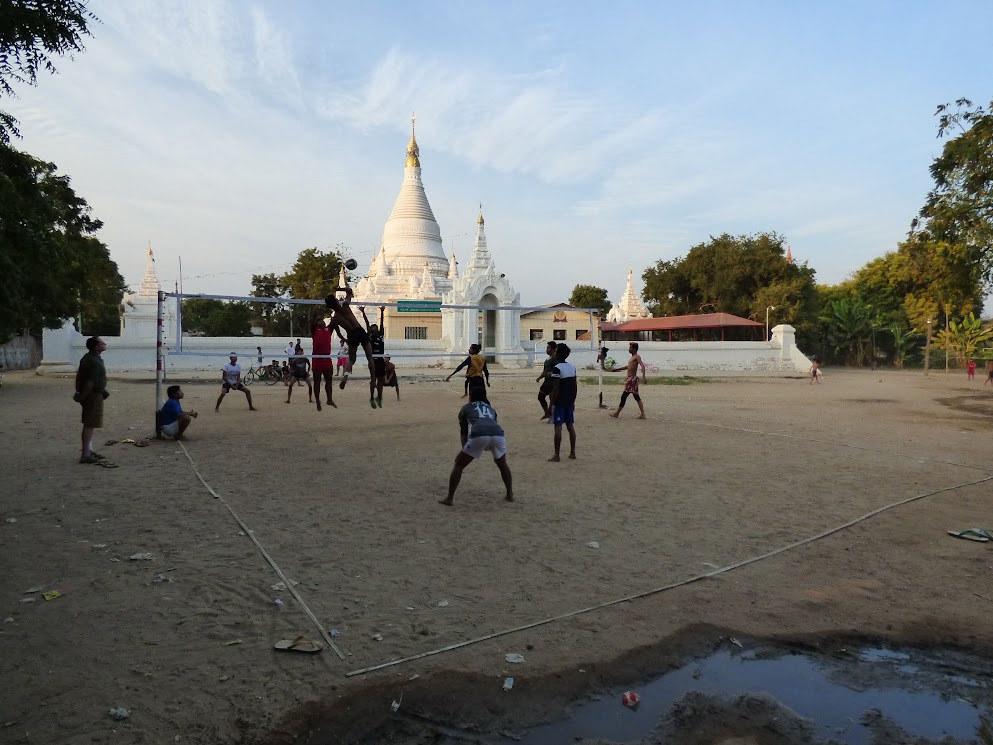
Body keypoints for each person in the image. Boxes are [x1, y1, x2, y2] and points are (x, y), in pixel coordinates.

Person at [440, 385, 513, 506]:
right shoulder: (491, 409)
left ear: (471, 396)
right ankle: (510, 495)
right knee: (502, 463)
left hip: (479, 433)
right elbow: (493, 422)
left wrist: (465, 448)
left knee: (459, 464)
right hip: (498, 434)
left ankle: (449, 498)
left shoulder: (466, 408)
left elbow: (463, 431)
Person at [325, 287, 377, 403]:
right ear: (337, 302)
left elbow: (336, 332)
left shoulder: (335, 319)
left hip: (351, 335)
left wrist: (343, 338)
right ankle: (373, 379)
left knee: (351, 359)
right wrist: (339, 288)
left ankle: (346, 376)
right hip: (360, 331)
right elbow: (349, 290)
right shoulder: (346, 306)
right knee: (370, 357)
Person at [75, 336, 109, 464]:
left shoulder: (89, 358)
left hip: (94, 393)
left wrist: (79, 393)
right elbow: (89, 382)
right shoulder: (94, 361)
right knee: (89, 424)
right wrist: (82, 396)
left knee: (90, 423)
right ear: (96, 346)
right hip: (93, 395)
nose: (104, 344)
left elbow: (79, 377)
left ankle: (88, 450)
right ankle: (85, 454)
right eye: (101, 343)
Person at [548, 343, 578, 461]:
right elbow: (575, 386)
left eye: (555, 351)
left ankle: (557, 455)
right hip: (569, 401)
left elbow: (556, 388)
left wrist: (551, 404)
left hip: (560, 402)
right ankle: (572, 452)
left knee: (558, 427)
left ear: (559, 354)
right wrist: (573, 400)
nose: (554, 353)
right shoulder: (572, 367)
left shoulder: (557, 368)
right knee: (570, 426)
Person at [608, 342, 647, 419]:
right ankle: (643, 414)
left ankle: (617, 413)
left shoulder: (637, 357)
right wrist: (617, 369)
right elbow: (628, 367)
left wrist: (643, 376)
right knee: (636, 397)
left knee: (624, 396)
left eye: (630, 348)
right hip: (631, 379)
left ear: (634, 349)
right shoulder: (632, 358)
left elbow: (642, 365)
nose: (629, 349)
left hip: (632, 380)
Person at [360, 305, 387, 408]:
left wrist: (382, 312)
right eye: (373, 329)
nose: (375, 330)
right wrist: (363, 312)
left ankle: (379, 397)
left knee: (381, 380)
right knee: (373, 380)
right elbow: (367, 324)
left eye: (376, 328)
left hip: (380, 360)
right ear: (371, 330)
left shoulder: (380, 335)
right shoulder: (369, 336)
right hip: (372, 361)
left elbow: (381, 323)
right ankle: (371, 397)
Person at [311, 318, 337, 411]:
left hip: (327, 359)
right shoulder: (314, 331)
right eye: (319, 321)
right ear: (317, 324)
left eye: (323, 321)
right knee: (317, 381)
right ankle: (318, 401)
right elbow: (311, 319)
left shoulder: (328, 330)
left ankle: (329, 399)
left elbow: (334, 322)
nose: (322, 322)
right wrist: (314, 304)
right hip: (317, 360)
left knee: (329, 381)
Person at [535, 341, 558, 420]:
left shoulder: (555, 358)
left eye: (548, 348)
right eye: (547, 348)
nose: (547, 349)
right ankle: (547, 413)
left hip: (553, 383)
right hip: (546, 382)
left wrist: (552, 373)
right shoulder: (548, 359)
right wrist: (539, 377)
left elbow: (558, 368)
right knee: (540, 397)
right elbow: (545, 371)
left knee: (552, 399)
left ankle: (552, 415)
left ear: (553, 349)